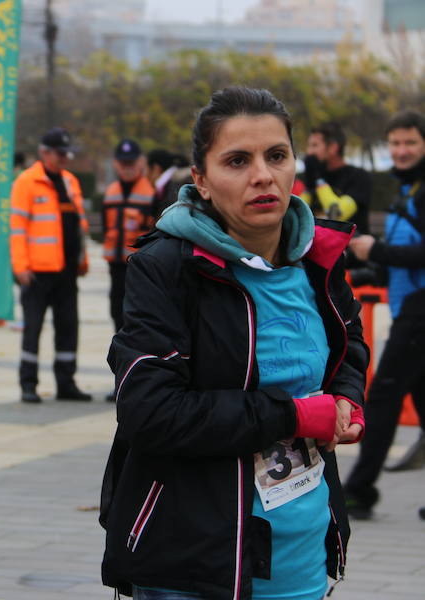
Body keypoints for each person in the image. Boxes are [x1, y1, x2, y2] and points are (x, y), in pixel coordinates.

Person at [100, 87, 367, 600]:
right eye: (237, 160)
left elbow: (348, 340)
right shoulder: (168, 268)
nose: (262, 175)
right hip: (196, 562)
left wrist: (347, 397)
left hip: (303, 554)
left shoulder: (318, 259)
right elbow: (150, 411)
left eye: (276, 156)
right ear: (200, 179)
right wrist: (292, 416)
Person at [343, 109, 425, 518]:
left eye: (410, 142)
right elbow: (399, 259)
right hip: (410, 305)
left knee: (384, 395)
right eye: (395, 143)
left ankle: (359, 490)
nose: (401, 150)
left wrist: (375, 250)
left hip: (420, 311)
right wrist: (361, 264)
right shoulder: (405, 190)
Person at [10, 127, 90, 403]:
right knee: (32, 328)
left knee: (68, 326)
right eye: (59, 153)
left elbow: (79, 226)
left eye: (66, 153)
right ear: (44, 153)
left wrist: (83, 260)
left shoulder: (70, 181)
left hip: (67, 272)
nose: (64, 158)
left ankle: (66, 383)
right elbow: (17, 227)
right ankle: (28, 384)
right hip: (37, 272)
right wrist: (20, 266)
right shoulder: (26, 182)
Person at [101, 138, 155, 334]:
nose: (127, 168)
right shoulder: (110, 193)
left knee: (137, 314)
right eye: (123, 163)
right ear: (116, 163)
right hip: (116, 266)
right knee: (116, 311)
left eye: (131, 163)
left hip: (139, 266)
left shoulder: (150, 193)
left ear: (141, 162)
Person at [301, 122, 372, 234]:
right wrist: (309, 188)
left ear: (333, 147)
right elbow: (299, 216)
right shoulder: (315, 175)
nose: (309, 152)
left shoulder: (358, 176)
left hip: (349, 248)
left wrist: (318, 181)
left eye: (314, 145)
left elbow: (336, 214)